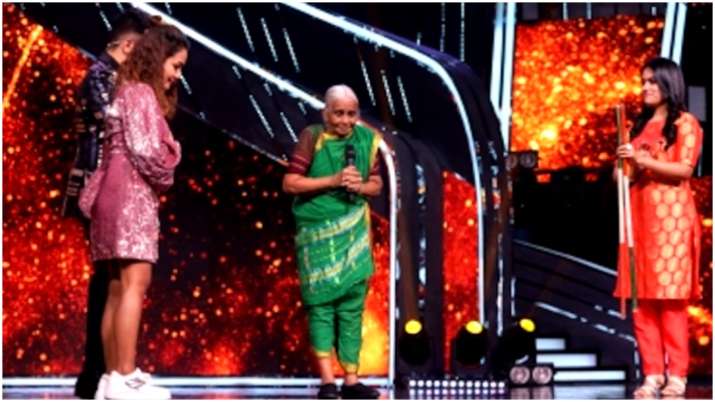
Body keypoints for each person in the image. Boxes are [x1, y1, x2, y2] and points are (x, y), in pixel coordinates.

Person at [78, 22, 189, 400]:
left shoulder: (124, 90)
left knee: (116, 288)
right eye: (175, 65)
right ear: (158, 58)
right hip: (129, 194)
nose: (178, 75)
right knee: (134, 285)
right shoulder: (140, 93)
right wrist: (173, 154)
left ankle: (112, 379)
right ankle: (124, 377)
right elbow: (147, 153)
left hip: (110, 193)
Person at [61, 9, 153, 399]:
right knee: (109, 281)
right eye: (142, 52)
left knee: (113, 280)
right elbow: (118, 124)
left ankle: (105, 373)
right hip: (101, 187)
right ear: (128, 46)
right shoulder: (100, 77)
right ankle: (100, 372)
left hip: (112, 187)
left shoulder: (113, 79)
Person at [283, 85, 383, 399]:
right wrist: (334, 180)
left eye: (351, 114)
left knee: (352, 307)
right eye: (338, 113)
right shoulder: (312, 137)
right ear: (325, 113)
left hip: (354, 234)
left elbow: (377, 184)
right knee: (322, 307)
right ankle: (328, 381)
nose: (345, 121)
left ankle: (351, 381)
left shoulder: (366, 140)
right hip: (318, 235)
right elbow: (290, 183)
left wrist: (360, 186)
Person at [615, 57, 703, 398]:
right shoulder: (636, 127)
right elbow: (621, 178)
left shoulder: (685, 123)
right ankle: (652, 374)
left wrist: (644, 160)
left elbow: (685, 169)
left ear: (669, 83)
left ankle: (676, 375)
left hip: (672, 223)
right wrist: (625, 163)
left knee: (670, 300)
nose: (645, 87)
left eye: (652, 81)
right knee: (642, 302)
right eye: (643, 81)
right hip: (638, 220)